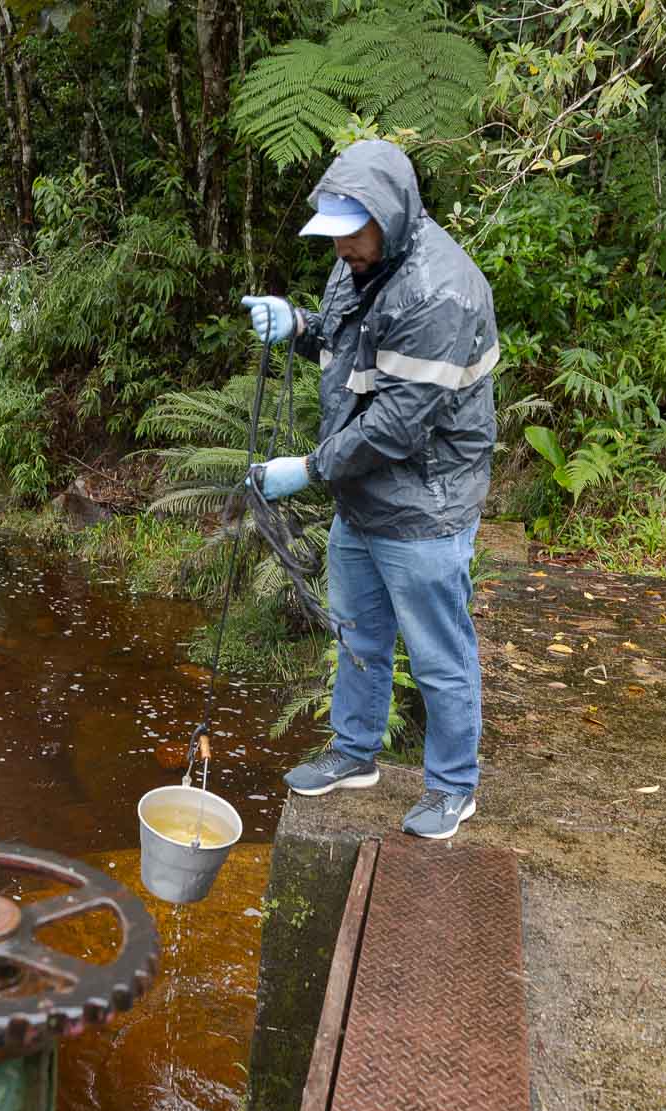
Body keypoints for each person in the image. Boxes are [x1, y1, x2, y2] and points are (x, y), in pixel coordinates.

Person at [240, 139, 498, 840]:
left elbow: (393, 426)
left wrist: (309, 470)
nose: (340, 252)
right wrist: (297, 326)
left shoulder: (440, 291)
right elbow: (347, 346)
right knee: (357, 633)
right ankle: (355, 754)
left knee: (439, 652)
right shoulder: (359, 263)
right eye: (333, 240)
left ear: (388, 216)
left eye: (350, 238)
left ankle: (453, 788)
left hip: (426, 502)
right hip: (364, 497)